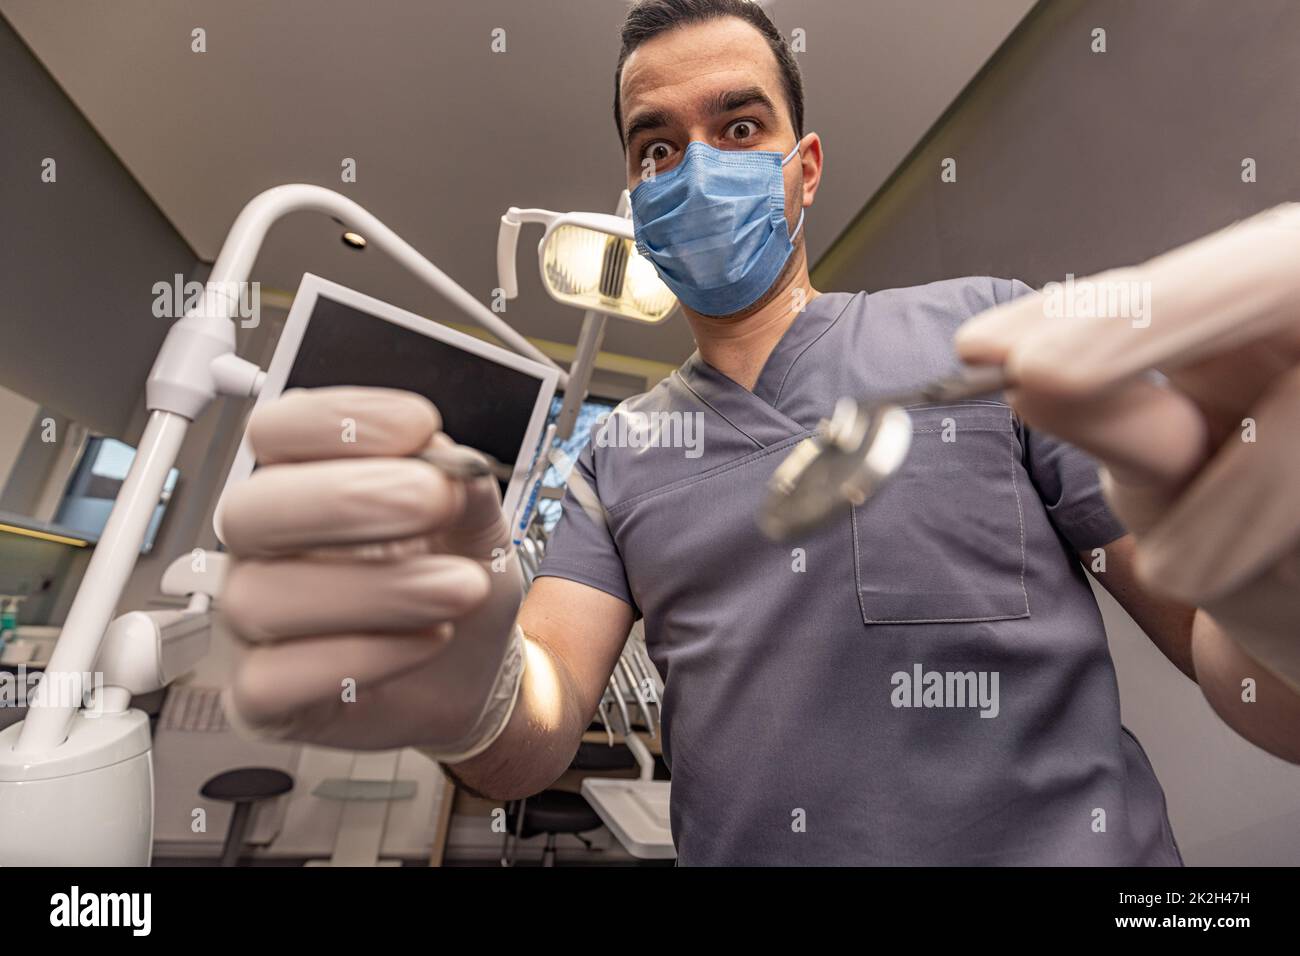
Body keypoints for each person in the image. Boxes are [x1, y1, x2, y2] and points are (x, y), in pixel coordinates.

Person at [218, 0, 1299, 865]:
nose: (696, 168)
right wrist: (470, 689)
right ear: (638, 201)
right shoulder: (618, 452)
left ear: (805, 164)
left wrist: (1282, 609)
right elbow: (537, 715)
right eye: (657, 149)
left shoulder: (985, 335)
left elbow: (1238, 675)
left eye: (738, 128)